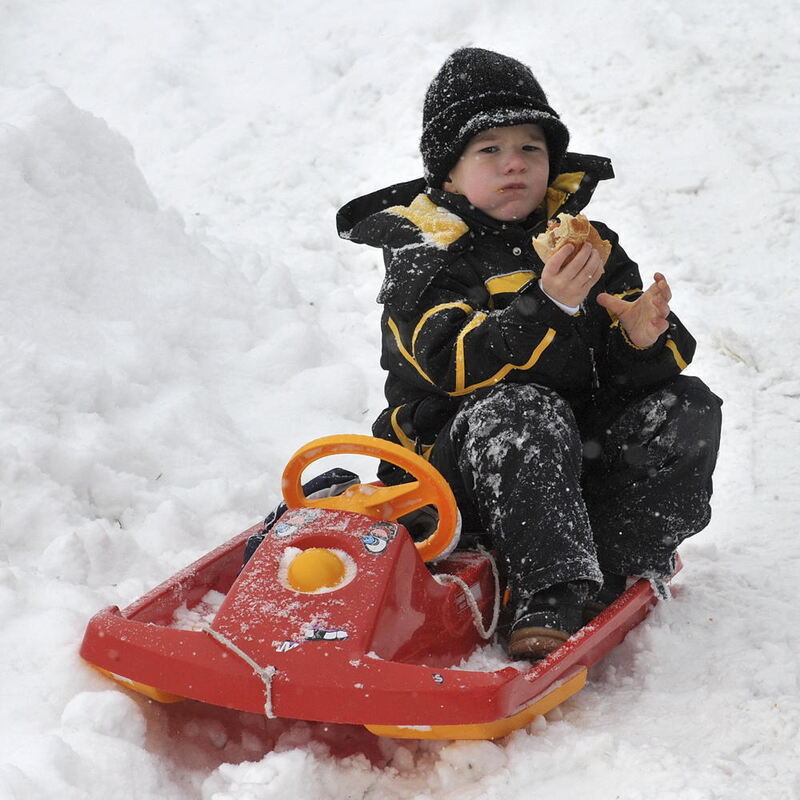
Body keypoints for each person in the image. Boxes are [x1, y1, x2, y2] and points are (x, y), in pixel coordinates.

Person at [336, 47, 722, 660]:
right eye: (489, 149)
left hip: (568, 462)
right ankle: (551, 590)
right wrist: (545, 307)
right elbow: (447, 363)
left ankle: (619, 557)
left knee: (686, 403)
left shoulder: (584, 241)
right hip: (458, 466)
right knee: (520, 408)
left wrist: (640, 338)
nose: (514, 163)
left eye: (531, 148)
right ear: (449, 174)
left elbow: (624, 372)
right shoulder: (427, 253)